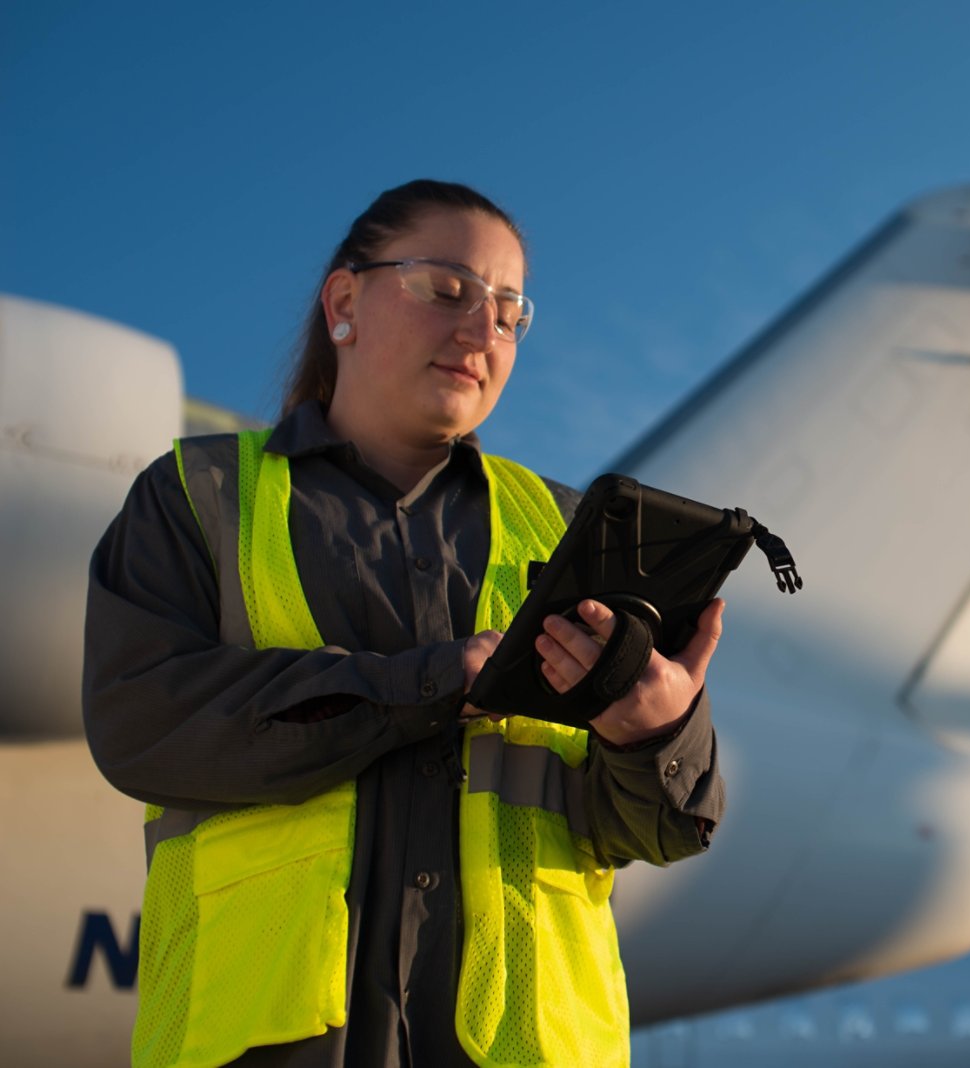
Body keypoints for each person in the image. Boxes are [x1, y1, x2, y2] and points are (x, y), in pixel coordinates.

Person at [82, 179, 726, 1068]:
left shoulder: (568, 532)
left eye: (509, 313)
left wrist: (656, 734)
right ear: (344, 302)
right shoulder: (197, 498)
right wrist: (422, 686)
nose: (481, 331)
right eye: (447, 291)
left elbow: (646, 832)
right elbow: (142, 726)